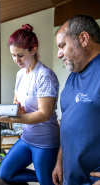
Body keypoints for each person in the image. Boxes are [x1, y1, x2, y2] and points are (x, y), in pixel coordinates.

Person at [0, 24, 60, 184]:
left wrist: (13, 120)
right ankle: (53, 178)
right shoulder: (20, 74)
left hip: (45, 141)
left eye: (20, 55)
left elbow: (44, 114)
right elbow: (17, 104)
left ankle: (50, 179)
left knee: (46, 182)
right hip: (26, 138)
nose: (16, 60)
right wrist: (10, 111)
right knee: (5, 173)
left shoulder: (45, 76)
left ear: (34, 50)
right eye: (13, 55)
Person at [52, 15, 100, 185]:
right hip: (71, 176)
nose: (59, 54)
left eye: (62, 45)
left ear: (84, 39)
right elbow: (67, 122)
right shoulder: (73, 76)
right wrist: (60, 162)